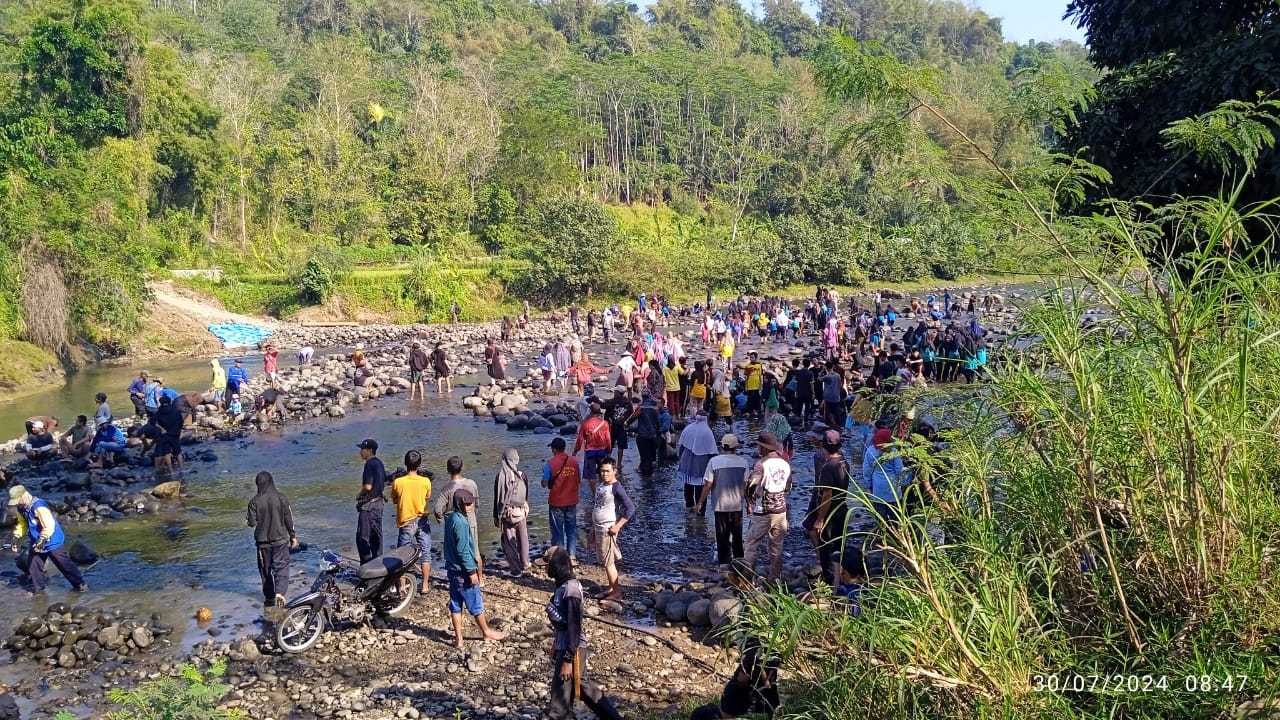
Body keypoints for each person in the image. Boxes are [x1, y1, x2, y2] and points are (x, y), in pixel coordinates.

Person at [545, 547, 623, 720]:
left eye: (547, 564)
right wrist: (555, 645)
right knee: (582, 686)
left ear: (557, 565)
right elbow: (563, 624)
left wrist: (567, 659)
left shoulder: (571, 590)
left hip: (572, 649)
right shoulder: (563, 586)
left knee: (560, 698)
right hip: (566, 646)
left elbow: (574, 626)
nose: (545, 569)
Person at [444, 489, 505, 648]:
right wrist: (472, 572)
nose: (470, 506)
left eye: (471, 502)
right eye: (467, 503)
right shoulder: (461, 523)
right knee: (476, 604)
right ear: (459, 504)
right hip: (463, 571)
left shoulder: (450, 518)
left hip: (452, 569)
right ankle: (486, 632)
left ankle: (459, 639)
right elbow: (463, 550)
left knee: (455, 604)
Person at [8, 485, 86, 594]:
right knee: (34, 565)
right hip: (36, 540)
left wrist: (42, 540)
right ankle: (39, 590)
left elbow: (49, 526)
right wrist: (16, 537)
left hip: (52, 540)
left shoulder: (39, 507)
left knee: (64, 564)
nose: (17, 504)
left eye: (17, 501)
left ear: (24, 496)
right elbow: (22, 524)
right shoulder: (21, 508)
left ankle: (80, 584)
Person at [688, 637, 780, 720]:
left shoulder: (730, 701)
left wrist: (765, 679)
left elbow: (747, 668)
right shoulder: (730, 705)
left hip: (767, 663)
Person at [696, 434, 750, 568]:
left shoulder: (714, 462)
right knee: (737, 535)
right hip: (737, 505)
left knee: (722, 535)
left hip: (720, 505)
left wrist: (700, 502)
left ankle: (724, 564)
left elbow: (708, 484)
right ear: (736, 447)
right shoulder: (743, 462)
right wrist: (749, 503)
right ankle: (739, 562)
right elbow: (745, 486)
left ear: (722, 446)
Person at [743, 432, 791, 581]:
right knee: (776, 547)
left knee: (751, 543)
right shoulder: (785, 464)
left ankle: (745, 577)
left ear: (763, 448)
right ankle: (775, 578)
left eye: (759, 446)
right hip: (781, 511)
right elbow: (788, 487)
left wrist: (749, 502)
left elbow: (751, 486)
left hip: (764, 510)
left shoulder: (761, 465)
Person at [247, 471, 298, 608]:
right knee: (281, 567)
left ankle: (269, 597)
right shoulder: (282, 498)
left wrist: (249, 520)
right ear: (271, 482)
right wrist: (293, 536)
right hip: (280, 540)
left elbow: (252, 523)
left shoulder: (254, 502)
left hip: (262, 543)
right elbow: (289, 519)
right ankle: (280, 593)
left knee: (265, 570)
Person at [810, 430, 851, 584]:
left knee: (826, 548)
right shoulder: (844, 462)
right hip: (842, 508)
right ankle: (839, 580)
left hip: (830, 514)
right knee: (839, 547)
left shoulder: (829, 467)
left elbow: (827, 495)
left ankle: (830, 583)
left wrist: (820, 519)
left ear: (824, 445)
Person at [590, 457, 634, 601]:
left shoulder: (616, 487)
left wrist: (617, 526)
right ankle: (610, 587)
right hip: (598, 527)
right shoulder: (601, 485)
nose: (604, 474)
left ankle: (616, 592)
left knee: (609, 562)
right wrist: (592, 529)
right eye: (602, 471)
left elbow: (630, 508)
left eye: (608, 471)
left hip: (607, 529)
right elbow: (597, 506)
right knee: (604, 560)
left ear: (614, 471)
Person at [433, 456, 483, 583]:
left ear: (448, 470)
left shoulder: (447, 488)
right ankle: (480, 578)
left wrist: (442, 520)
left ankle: (460, 577)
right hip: (471, 520)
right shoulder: (471, 484)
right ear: (462, 467)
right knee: (475, 551)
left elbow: (438, 509)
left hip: (454, 522)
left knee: (456, 552)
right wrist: (473, 515)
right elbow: (476, 503)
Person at [543, 437, 582, 562]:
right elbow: (579, 480)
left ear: (554, 449)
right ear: (564, 448)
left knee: (557, 530)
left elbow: (544, 483)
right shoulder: (574, 462)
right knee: (571, 529)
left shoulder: (550, 464)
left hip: (556, 502)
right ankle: (572, 555)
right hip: (572, 501)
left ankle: (560, 557)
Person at [493, 448, 530, 576]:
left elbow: (497, 498)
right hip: (521, 511)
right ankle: (525, 563)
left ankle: (515, 569)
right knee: (523, 538)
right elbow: (526, 494)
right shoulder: (522, 474)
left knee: (509, 541)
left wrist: (496, 516)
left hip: (507, 513)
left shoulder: (501, 476)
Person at [863, 427, 907, 526]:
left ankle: (881, 536)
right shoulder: (894, 452)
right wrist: (905, 483)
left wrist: (868, 485)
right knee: (894, 518)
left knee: (880, 518)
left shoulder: (871, 450)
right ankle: (893, 537)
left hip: (878, 489)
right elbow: (899, 471)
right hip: (893, 490)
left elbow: (867, 470)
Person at [676, 413, 717, 513]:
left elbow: (681, 445)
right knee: (701, 486)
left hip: (687, 461)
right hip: (701, 463)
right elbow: (712, 452)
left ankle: (689, 506)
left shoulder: (688, 428)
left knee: (688, 483)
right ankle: (700, 511)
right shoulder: (708, 432)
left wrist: (680, 458)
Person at [355, 438, 386, 564]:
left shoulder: (369, 464)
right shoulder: (379, 463)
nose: (360, 452)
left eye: (363, 449)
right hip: (379, 504)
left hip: (369, 506)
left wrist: (359, 495)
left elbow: (367, 486)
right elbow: (385, 480)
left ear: (370, 451)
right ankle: (378, 564)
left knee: (362, 538)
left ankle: (366, 566)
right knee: (376, 537)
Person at [573, 403, 611, 485]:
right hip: (602, 451)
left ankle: (595, 495)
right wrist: (608, 450)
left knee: (591, 476)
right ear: (599, 412)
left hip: (590, 452)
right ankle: (603, 491)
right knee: (603, 473)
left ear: (590, 412)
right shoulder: (605, 423)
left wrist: (575, 451)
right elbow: (608, 439)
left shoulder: (585, 424)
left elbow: (580, 440)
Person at [627, 396, 661, 477]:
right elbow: (658, 423)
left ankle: (645, 475)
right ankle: (650, 474)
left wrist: (626, 424)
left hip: (642, 436)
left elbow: (632, 418)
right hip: (653, 436)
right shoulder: (655, 408)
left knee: (644, 457)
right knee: (652, 457)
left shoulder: (641, 408)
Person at [154, 395, 184, 476]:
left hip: (164, 435)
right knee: (178, 452)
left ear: (161, 403)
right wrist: (178, 430)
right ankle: (182, 469)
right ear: (170, 402)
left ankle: (171, 472)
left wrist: (162, 429)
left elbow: (154, 423)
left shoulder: (158, 412)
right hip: (175, 434)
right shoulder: (175, 411)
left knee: (166, 452)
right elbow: (181, 422)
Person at [743, 352, 764, 418]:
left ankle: (758, 411)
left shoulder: (759, 365)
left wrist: (761, 384)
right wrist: (745, 386)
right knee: (750, 399)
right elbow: (746, 377)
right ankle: (750, 411)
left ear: (756, 358)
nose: (751, 359)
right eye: (750, 357)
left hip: (757, 385)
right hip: (750, 385)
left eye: (752, 357)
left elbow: (761, 375)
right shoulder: (747, 366)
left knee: (757, 398)